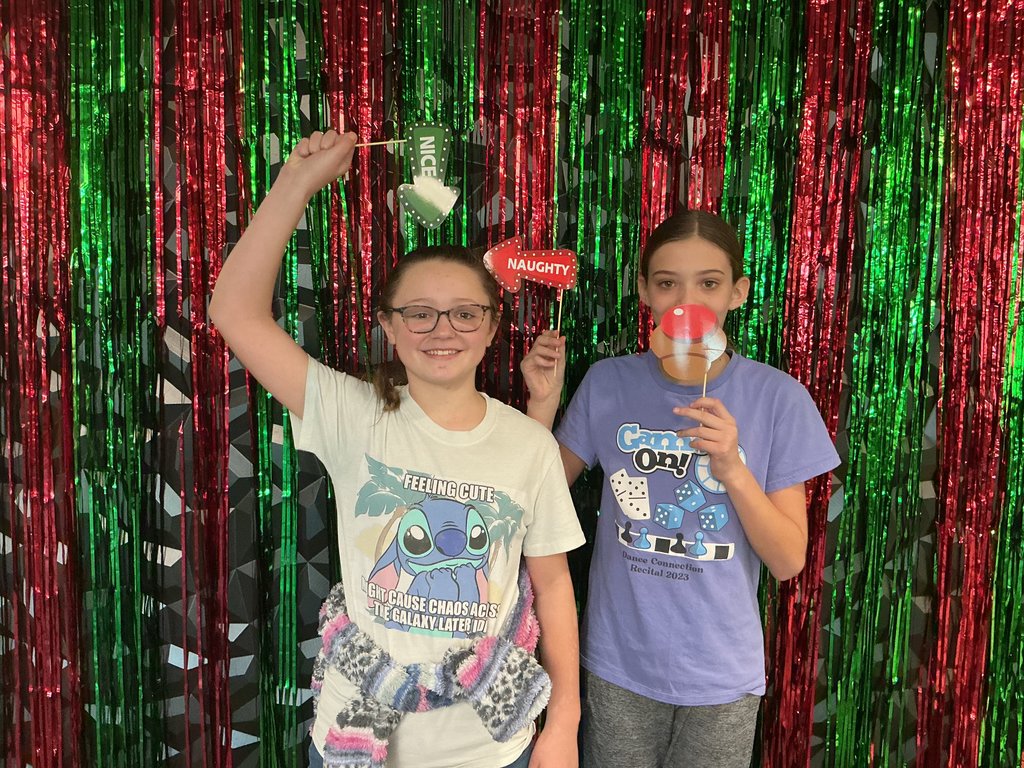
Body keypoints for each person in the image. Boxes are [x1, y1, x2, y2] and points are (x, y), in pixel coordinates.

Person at [210, 129, 584, 768]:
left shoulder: (529, 446)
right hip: (360, 739)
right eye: (420, 313)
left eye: (466, 313)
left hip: (491, 748)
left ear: (493, 324)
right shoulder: (354, 414)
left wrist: (563, 726)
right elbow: (235, 312)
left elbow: (552, 587)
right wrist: (296, 182)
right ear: (388, 323)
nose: (444, 330)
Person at [521, 210, 840, 768]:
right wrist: (542, 406)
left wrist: (732, 468)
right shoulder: (608, 381)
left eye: (709, 284)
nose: (684, 300)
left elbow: (789, 560)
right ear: (645, 290)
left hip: (721, 676)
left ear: (737, 293)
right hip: (618, 663)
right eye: (667, 282)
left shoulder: (778, 397)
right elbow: (535, 498)